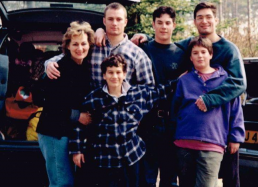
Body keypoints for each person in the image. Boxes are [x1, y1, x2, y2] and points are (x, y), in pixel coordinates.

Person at [131, 2, 247, 187]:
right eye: (200, 17)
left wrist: (212, 101)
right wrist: (144, 37)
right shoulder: (189, 44)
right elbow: (165, 41)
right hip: (187, 132)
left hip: (218, 127)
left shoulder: (228, 49)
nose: (204, 21)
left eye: (208, 17)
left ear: (216, 20)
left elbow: (239, 84)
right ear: (194, 22)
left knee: (229, 177)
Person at [69, 54, 177, 187]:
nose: (115, 76)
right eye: (110, 72)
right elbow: (80, 126)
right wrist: (77, 150)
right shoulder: (93, 99)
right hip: (104, 159)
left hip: (131, 157)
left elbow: (163, 91)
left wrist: (184, 78)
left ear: (124, 74)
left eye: (118, 72)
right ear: (104, 75)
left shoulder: (139, 94)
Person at [172, 36, 245, 187]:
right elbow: (175, 109)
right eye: (195, 53)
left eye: (203, 52)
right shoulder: (184, 80)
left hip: (212, 144)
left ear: (211, 54)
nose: (200, 56)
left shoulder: (225, 81)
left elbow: (235, 111)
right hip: (184, 143)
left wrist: (235, 137)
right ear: (190, 58)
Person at [35, 21, 95, 187]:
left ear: (89, 45)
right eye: (75, 44)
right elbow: (48, 104)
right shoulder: (59, 68)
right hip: (53, 133)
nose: (80, 48)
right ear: (67, 46)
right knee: (61, 182)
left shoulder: (83, 67)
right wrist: (78, 116)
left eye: (83, 44)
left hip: (67, 131)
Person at [44, 2, 154, 90]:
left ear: (125, 22)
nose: (114, 23)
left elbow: (149, 89)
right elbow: (69, 55)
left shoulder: (137, 55)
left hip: (123, 115)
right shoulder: (92, 46)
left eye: (119, 19)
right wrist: (49, 63)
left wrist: (133, 113)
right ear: (104, 21)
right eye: (110, 19)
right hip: (92, 113)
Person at [137, 6, 186, 187]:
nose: (164, 27)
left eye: (167, 23)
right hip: (147, 122)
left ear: (174, 25)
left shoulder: (181, 54)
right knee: (146, 178)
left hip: (173, 123)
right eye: (160, 23)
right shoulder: (142, 49)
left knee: (170, 178)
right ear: (153, 24)